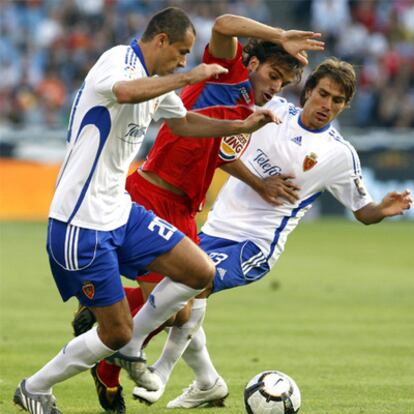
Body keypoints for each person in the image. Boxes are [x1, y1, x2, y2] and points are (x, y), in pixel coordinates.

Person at [12, 7, 281, 414]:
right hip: (80, 222)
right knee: (116, 332)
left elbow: (186, 122)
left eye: (188, 57)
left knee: (200, 271)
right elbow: (123, 92)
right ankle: (35, 387)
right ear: (160, 41)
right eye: (181, 53)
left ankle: (135, 344)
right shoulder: (118, 60)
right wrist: (189, 78)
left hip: (120, 211)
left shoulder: (156, 85)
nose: (184, 62)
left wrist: (242, 128)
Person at [76, 13, 325, 413]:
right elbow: (224, 23)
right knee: (169, 304)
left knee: (180, 311)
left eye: (284, 82)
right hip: (151, 196)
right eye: (273, 74)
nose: (276, 86)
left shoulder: (249, 109)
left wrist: (258, 183)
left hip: (186, 211)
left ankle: (103, 309)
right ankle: (105, 361)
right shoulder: (226, 74)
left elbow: (217, 150)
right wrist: (280, 34)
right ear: (252, 63)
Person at [131, 57, 412, 408]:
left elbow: (363, 211)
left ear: (344, 106)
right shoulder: (272, 110)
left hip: (254, 246)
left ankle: (154, 366)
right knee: (179, 304)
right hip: (214, 229)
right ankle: (207, 382)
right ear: (308, 91)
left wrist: (382, 211)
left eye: (337, 101)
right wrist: (259, 183)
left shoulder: (340, 155)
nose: (327, 105)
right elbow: (221, 149)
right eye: (323, 94)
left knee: (191, 285)